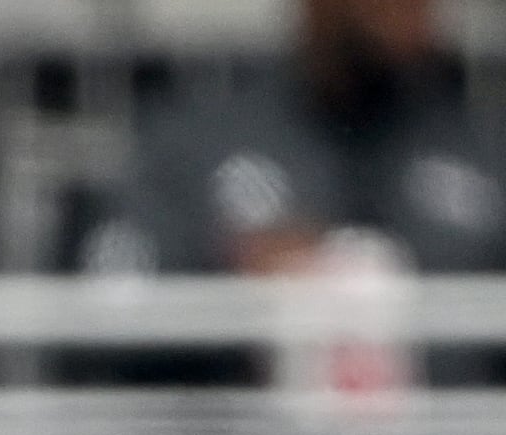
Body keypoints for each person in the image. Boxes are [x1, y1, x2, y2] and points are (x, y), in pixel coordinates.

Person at [91, 0, 506, 285]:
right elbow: (109, 301)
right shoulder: (201, 140)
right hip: (242, 411)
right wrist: (226, 267)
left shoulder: (483, 150)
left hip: (457, 412)